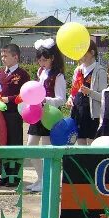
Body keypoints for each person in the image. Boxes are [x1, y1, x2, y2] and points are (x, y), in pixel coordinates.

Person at [25, 38, 66, 192]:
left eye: (45, 59)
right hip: (36, 113)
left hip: (50, 115)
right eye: (40, 60)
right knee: (31, 147)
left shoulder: (59, 76)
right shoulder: (40, 72)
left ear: (52, 58)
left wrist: (45, 100)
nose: (42, 63)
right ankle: (41, 178)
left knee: (47, 149)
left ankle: (47, 180)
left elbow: (61, 99)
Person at [0, 44, 30, 187]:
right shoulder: (0, 73)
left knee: (14, 143)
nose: (3, 59)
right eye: (2, 56)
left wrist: (9, 99)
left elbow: (26, 94)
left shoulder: (23, 74)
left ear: (15, 57)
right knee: (2, 143)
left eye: (6, 56)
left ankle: (15, 176)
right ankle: (4, 175)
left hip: (14, 114)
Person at [66, 40, 106, 145]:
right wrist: (70, 98)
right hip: (78, 110)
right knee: (80, 142)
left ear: (92, 53)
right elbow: (74, 90)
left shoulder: (100, 71)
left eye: (84, 53)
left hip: (92, 113)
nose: (81, 57)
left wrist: (90, 92)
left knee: (93, 143)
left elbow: (104, 96)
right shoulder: (78, 70)